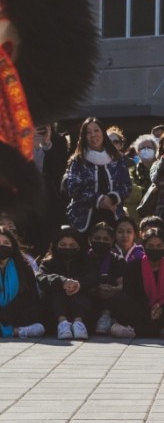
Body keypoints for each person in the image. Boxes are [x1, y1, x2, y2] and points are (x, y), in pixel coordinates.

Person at [63, 117, 132, 234]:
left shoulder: (118, 159)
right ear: (83, 137)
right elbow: (73, 189)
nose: (93, 135)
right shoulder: (78, 160)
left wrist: (112, 198)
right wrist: (99, 200)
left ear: (103, 133)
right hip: (84, 220)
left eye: (96, 130)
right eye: (88, 132)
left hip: (113, 216)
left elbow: (127, 186)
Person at [122, 228, 164, 339]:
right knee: (120, 299)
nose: (155, 249)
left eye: (159, 246)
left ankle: (140, 330)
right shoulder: (133, 267)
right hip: (141, 311)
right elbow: (130, 294)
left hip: (163, 312)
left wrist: (160, 310)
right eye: (150, 246)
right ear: (144, 247)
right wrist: (149, 311)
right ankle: (160, 330)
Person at [38, 228, 93, 340]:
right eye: (63, 244)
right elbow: (41, 278)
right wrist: (62, 282)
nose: (67, 248)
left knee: (76, 287)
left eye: (72, 245)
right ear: (56, 245)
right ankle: (63, 323)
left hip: (83, 307)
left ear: (78, 246)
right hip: (53, 311)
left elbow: (94, 277)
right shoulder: (48, 263)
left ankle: (79, 323)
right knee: (57, 288)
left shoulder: (87, 262)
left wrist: (78, 283)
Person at [85, 219, 136, 339]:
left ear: (112, 241)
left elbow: (122, 284)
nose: (101, 241)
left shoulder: (117, 260)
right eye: (97, 238)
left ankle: (106, 316)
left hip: (110, 300)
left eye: (105, 239)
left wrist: (113, 290)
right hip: (89, 297)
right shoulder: (83, 259)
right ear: (90, 239)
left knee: (107, 280)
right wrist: (93, 290)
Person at [0, 225, 46, 338]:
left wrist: (8, 312)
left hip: (16, 313)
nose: (2, 246)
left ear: (13, 246)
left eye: (6, 243)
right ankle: (14, 332)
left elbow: (31, 295)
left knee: (34, 312)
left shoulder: (23, 265)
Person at [30, 121, 69, 254]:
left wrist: (47, 145)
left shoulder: (58, 140)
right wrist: (32, 147)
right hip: (26, 204)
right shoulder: (18, 138)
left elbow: (59, 171)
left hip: (50, 204)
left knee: (49, 243)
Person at [124, 132, 159, 223]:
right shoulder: (131, 171)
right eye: (142, 148)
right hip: (137, 218)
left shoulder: (162, 169)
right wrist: (150, 193)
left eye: (149, 147)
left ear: (155, 150)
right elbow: (130, 190)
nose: (146, 150)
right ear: (137, 152)